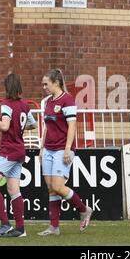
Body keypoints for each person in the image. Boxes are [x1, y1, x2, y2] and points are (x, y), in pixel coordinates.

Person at [37, 69, 93, 236]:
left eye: (46, 84)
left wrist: (68, 148)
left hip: (62, 149)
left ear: (56, 83)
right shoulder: (47, 102)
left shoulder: (67, 100)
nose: (44, 87)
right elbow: (47, 127)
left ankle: (84, 210)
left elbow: (72, 126)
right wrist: (41, 148)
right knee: (51, 188)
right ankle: (54, 227)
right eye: (43, 84)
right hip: (48, 149)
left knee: (58, 186)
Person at [0, 73, 37, 238]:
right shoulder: (25, 105)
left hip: (8, 151)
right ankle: (20, 229)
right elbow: (32, 125)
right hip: (20, 151)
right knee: (14, 190)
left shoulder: (6, 104)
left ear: (7, 87)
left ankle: (5, 224)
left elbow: (5, 126)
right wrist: (19, 129)